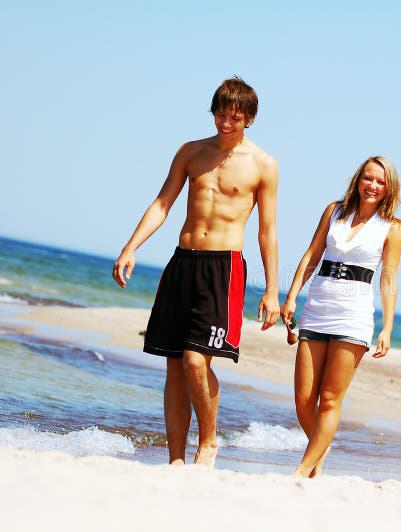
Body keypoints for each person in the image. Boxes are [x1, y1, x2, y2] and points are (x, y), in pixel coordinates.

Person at [112, 77, 280, 467]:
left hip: (222, 268)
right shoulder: (191, 152)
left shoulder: (263, 164)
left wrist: (272, 290)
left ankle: (208, 442)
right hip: (182, 262)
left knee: (195, 360)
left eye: (235, 117)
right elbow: (163, 202)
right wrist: (130, 247)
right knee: (174, 364)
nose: (225, 122)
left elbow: (267, 230)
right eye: (221, 113)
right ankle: (175, 458)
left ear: (249, 119)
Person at [280, 156, 401, 478]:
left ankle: (304, 469)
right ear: (358, 179)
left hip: (354, 315)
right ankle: (320, 448)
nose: (372, 186)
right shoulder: (334, 210)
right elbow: (312, 253)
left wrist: (388, 327)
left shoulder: (391, 228)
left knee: (331, 398)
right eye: (368, 178)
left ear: (389, 188)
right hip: (318, 306)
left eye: (380, 181)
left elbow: (388, 278)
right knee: (304, 399)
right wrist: (292, 295)